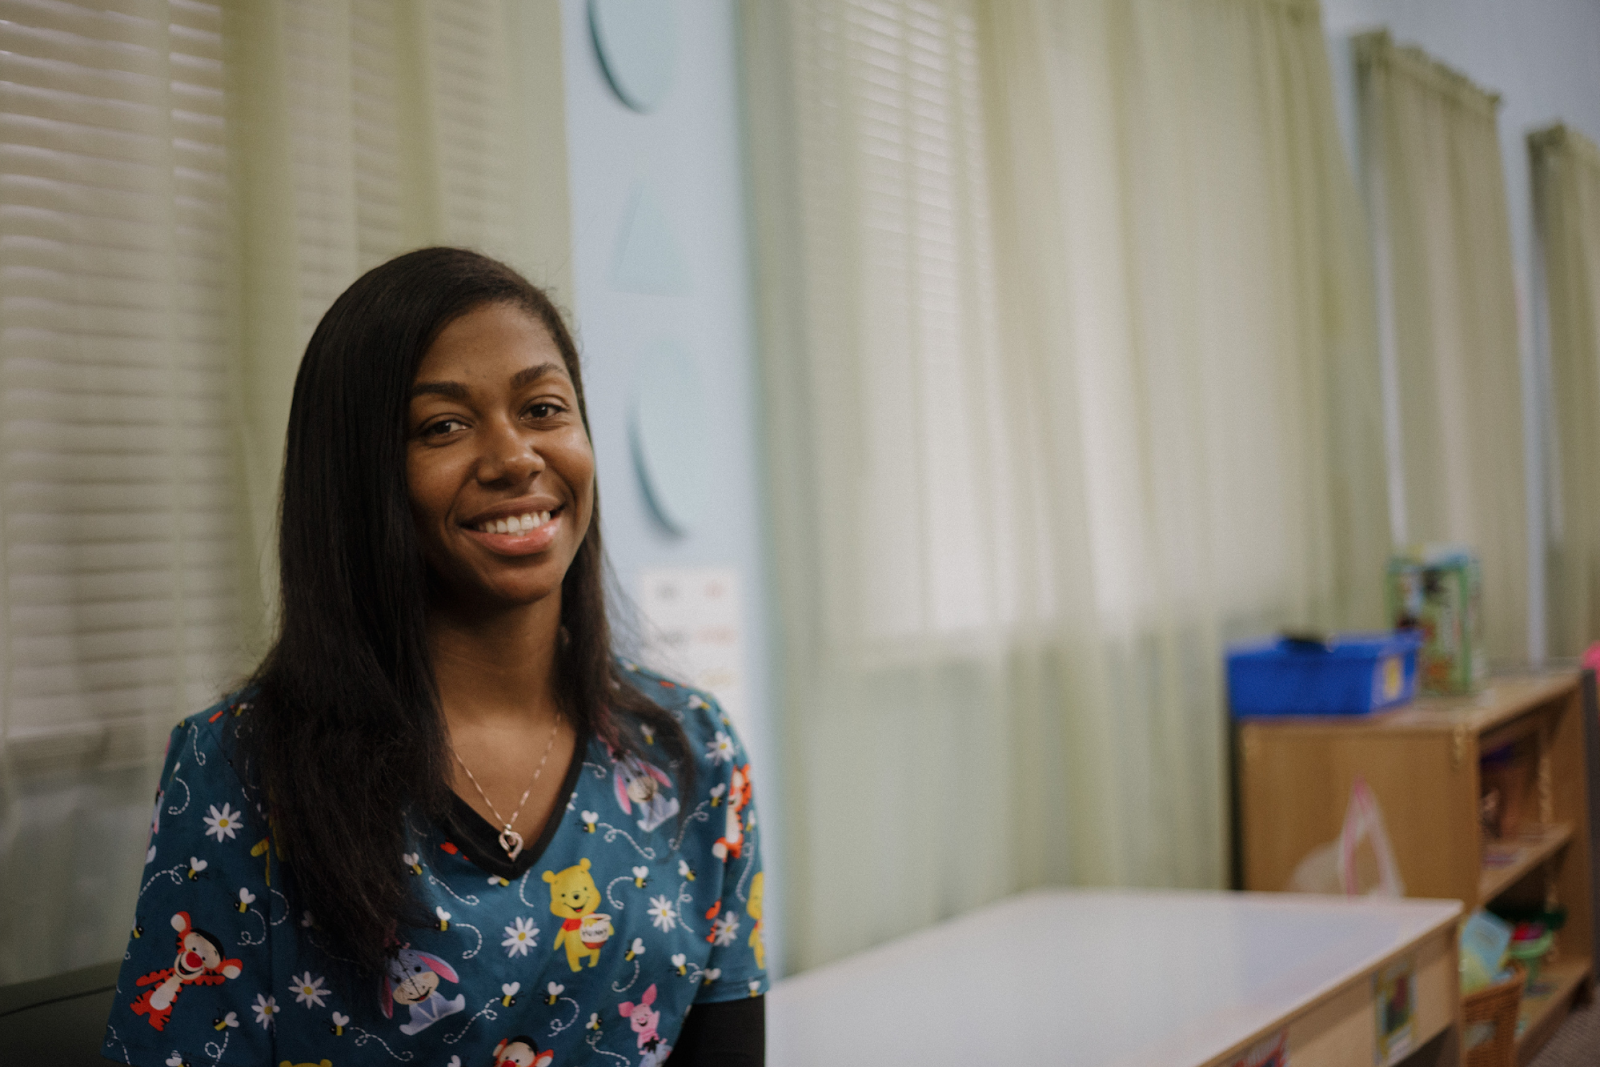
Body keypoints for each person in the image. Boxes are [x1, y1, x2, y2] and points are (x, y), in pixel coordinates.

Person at [102, 248, 766, 1065]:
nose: (515, 456)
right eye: (443, 426)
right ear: (361, 478)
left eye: (545, 408)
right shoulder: (237, 766)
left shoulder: (693, 752)